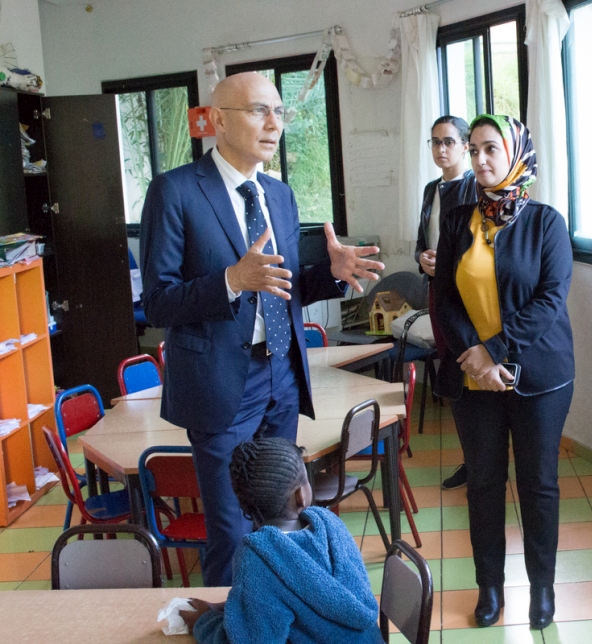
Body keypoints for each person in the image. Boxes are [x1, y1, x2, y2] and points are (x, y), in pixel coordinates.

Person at [140, 71, 384, 587]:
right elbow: (157, 303)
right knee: (230, 527)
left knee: (283, 516)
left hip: (282, 376)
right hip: (220, 383)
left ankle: (281, 612)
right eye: (259, 111)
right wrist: (230, 280)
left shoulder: (280, 194)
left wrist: (330, 276)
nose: (275, 124)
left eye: (280, 112)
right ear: (219, 120)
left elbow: (284, 287)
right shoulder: (176, 191)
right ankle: (235, 624)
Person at [432, 114, 574, 630]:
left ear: (516, 153)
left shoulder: (545, 222)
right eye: (473, 151)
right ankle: (489, 587)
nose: (480, 161)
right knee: (485, 484)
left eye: (491, 149)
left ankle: (542, 588)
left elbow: (550, 300)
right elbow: (443, 296)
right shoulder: (456, 219)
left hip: (539, 374)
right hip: (473, 375)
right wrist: (473, 353)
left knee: (538, 485)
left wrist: (494, 350)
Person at [181, 437, 382, 644]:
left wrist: (204, 623)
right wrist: (233, 606)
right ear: (301, 495)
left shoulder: (258, 558)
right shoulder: (331, 524)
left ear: (244, 506)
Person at [414, 115, 477, 491]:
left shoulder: (474, 188)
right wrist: (421, 259)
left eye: (448, 142)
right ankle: (471, 460)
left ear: (465, 146)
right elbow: (423, 239)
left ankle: (482, 460)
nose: (441, 149)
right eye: (435, 142)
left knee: (471, 371)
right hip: (438, 291)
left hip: (468, 296)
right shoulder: (429, 189)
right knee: (453, 372)